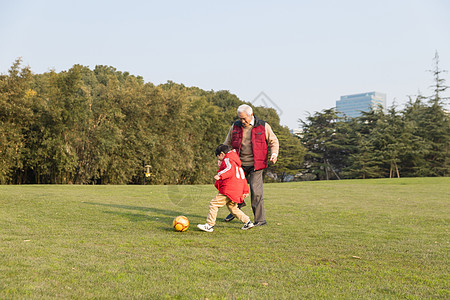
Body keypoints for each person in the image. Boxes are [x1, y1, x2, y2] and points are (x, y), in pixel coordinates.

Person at [223, 104, 279, 226]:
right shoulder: (235, 126)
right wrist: (222, 157)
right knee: (235, 190)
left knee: (255, 190)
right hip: (239, 164)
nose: (242, 121)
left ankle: (260, 220)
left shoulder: (263, 126)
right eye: (240, 118)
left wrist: (274, 154)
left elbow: (273, 141)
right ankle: (235, 211)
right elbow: (227, 143)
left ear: (251, 115)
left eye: (244, 118)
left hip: (256, 164)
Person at [197, 144, 255, 232]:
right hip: (237, 190)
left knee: (214, 204)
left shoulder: (228, 159)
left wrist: (220, 175)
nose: (219, 160)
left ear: (222, 154)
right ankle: (248, 222)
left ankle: (209, 225)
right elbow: (243, 178)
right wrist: (245, 190)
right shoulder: (237, 163)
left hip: (229, 189)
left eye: (218, 157)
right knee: (233, 208)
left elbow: (229, 169)